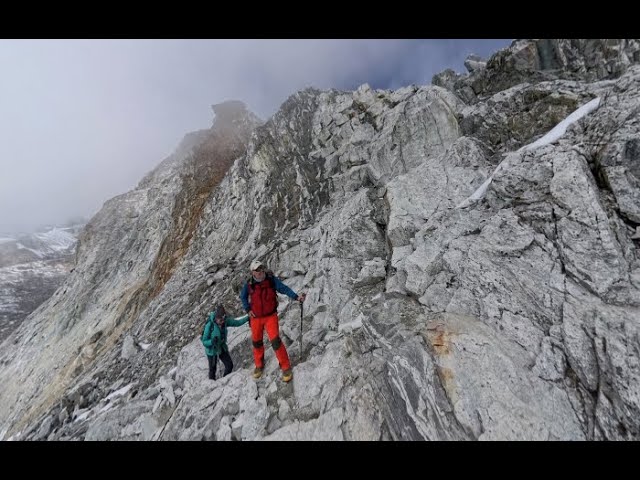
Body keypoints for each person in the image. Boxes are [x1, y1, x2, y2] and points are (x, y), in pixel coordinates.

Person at [240, 259, 305, 382]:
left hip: (270, 316)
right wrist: (247, 309)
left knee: (275, 341)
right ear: (252, 272)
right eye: (257, 270)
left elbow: (284, 288)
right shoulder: (248, 284)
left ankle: (285, 366)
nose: (260, 271)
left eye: (261, 268)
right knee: (256, 342)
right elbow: (243, 297)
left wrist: (296, 297)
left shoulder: (270, 280)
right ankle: (259, 365)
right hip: (255, 318)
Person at [201, 304, 249, 380]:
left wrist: (248, 317)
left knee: (229, 365)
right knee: (212, 370)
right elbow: (204, 341)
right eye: (221, 320)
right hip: (212, 351)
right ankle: (212, 385)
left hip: (221, 347)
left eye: (223, 319)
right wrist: (211, 342)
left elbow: (237, 323)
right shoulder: (209, 325)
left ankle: (224, 380)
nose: (223, 322)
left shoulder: (225, 321)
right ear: (216, 318)